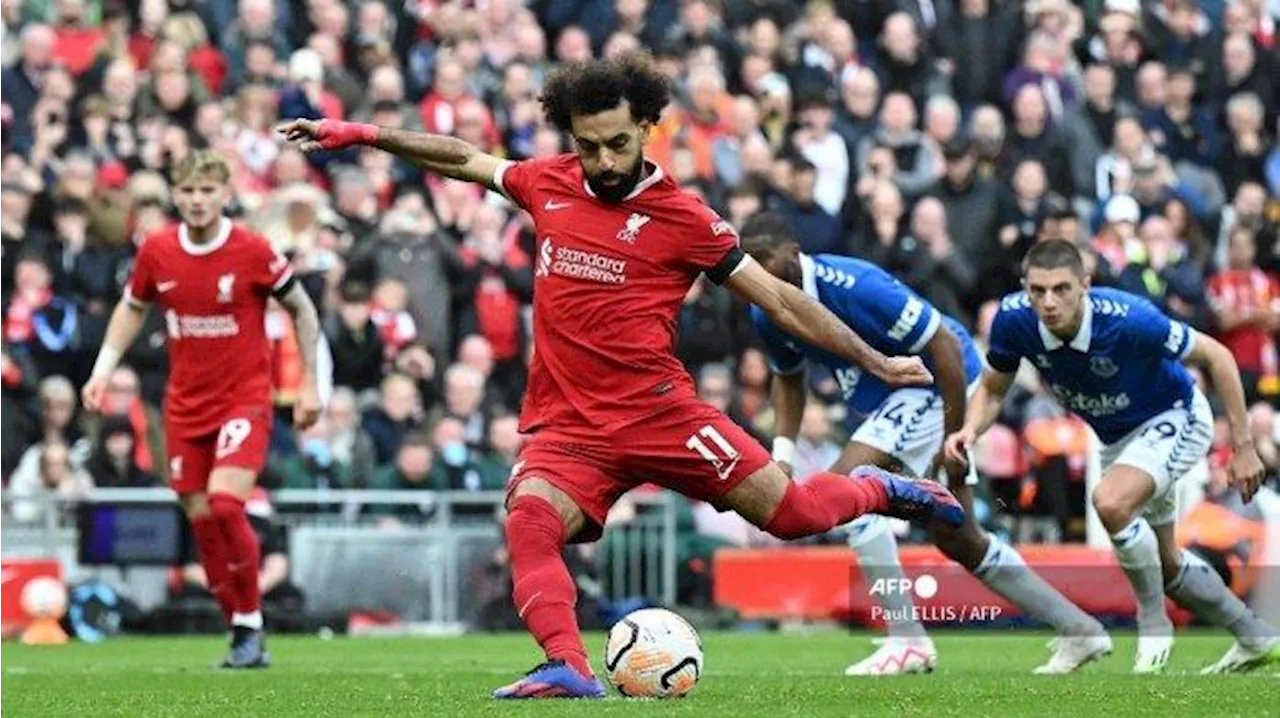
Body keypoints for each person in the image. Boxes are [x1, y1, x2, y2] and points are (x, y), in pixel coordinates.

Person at [280, 52, 962, 700]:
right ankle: (566, 666)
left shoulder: (686, 219)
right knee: (529, 518)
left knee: (795, 514)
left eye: (615, 143)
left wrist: (873, 361)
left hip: (662, 414)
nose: (602, 161)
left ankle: (884, 489)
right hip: (570, 425)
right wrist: (362, 134)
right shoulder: (546, 182)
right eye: (587, 145)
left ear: (645, 127)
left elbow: (782, 300)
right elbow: (461, 156)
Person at [739, 213, 1108, 676]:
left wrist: (956, 434)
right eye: (748, 265)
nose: (757, 275)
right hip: (898, 401)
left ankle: (908, 641)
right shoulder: (766, 309)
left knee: (843, 487)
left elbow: (945, 346)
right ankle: (1079, 629)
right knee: (961, 539)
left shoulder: (854, 285)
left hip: (939, 385)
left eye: (764, 262)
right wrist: (784, 456)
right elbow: (789, 381)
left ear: (792, 253)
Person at [945, 240, 1278, 675]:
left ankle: (1153, 622)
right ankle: (1255, 638)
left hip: (1175, 414)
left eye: (1062, 289)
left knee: (1110, 502)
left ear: (1085, 285)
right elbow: (992, 388)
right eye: (1038, 291)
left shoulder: (1129, 319)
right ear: (1025, 288)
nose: (1048, 302)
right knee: (1168, 562)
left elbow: (1218, 355)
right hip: (1117, 437)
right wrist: (971, 429)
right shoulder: (1013, 322)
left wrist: (1244, 447)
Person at [81, 151, 322, 670]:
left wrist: (308, 384)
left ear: (224, 195)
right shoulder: (158, 250)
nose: (196, 200)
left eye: (206, 191)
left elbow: (302, 307)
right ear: (175, 194)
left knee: (227, 505)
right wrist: (103, 369)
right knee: (201, 519)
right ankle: (238, 625)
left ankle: (252, 621)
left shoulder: (253, 250)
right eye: (187, 190)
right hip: (184, 405)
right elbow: (132, 306)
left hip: (243, 400)